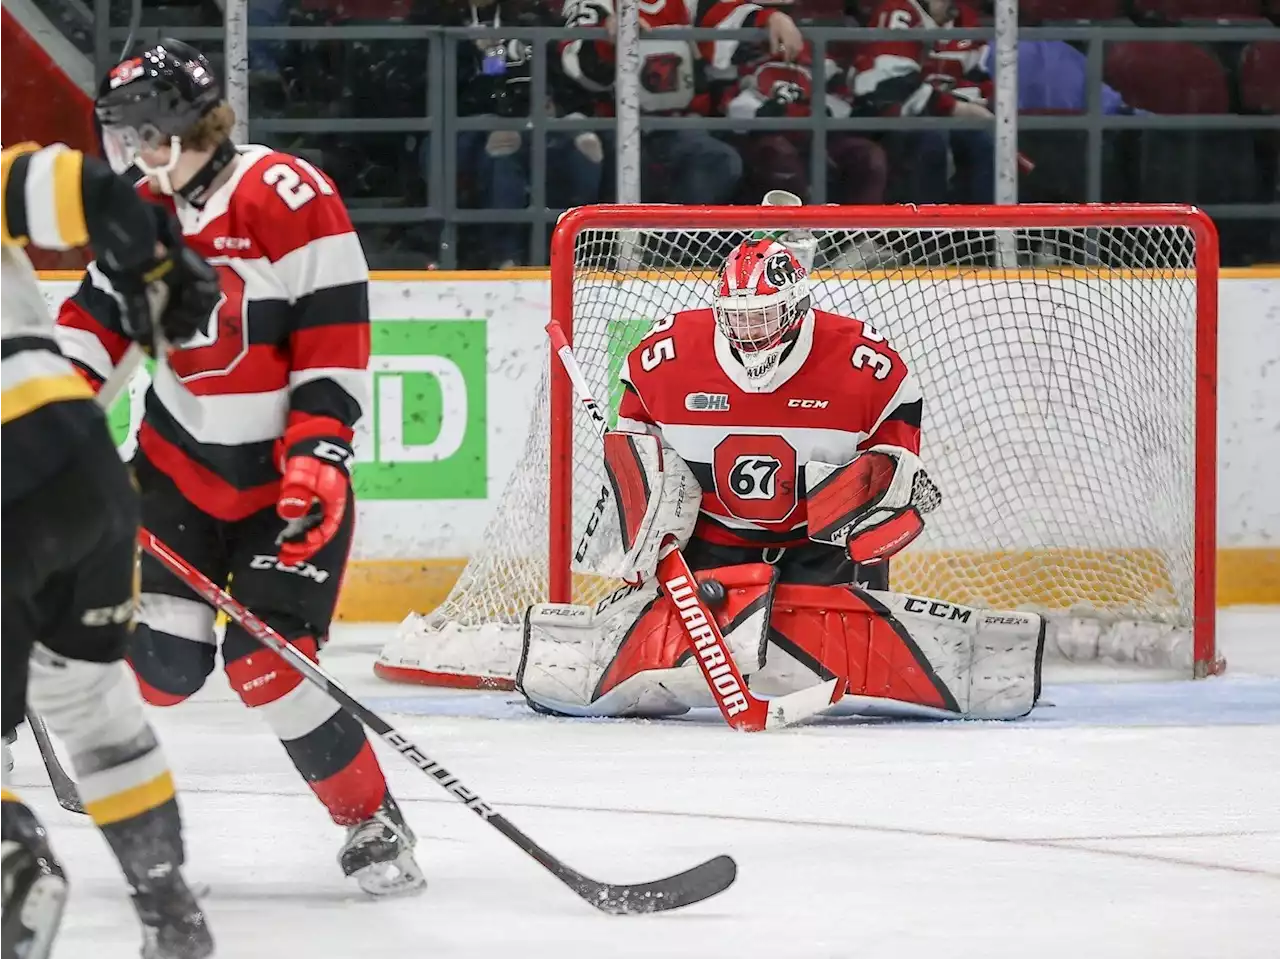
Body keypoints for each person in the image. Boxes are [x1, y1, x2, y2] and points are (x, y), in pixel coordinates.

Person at [54, 39, 425, 899]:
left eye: (143, 134)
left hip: (283, 487)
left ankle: (371, 820)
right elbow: (91, 331)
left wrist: (321, 451)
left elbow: (335, 336)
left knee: (269, 664)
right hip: (178, 472)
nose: (134, 155)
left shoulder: (288, 194)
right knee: (166, 669)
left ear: (186, 124)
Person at [517, 235, 1044, 724]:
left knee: (834, 670)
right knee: (664, 677)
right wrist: (645, 502)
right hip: (712, 541)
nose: (749, 331)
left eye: (764, 316)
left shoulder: (867, 365)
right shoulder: (666, 355)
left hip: (816, 547)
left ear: (796, 308)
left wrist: (877, 510)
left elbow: (895, 469)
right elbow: (633, 448)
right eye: (736, 318)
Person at [0, 140, 220, 958]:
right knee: (92, 708)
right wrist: (158, 272)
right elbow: (91, 186)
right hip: (85, 464)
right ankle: (168, 907)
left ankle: (12, 864)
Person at [559, 0, 804, 205]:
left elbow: (725, 17)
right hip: (610, 123)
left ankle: (679, 251)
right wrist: (607, 36)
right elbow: (576, 64)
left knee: (717, 160)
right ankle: (610, 249)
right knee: (613, 169)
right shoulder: (593, 3)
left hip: (677, 126)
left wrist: (771, 18)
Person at [856, 0, 995, 204]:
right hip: (886, 115)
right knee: (931, 138)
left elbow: (979, 79)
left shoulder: (965, 18)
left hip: (941, 110)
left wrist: (980, 101)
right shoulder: (897, 10)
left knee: (985, 140)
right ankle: (924, 231)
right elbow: (891, 88)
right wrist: (954, 107)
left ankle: (981, 230)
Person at [724, 43, 888, 208]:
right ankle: (799, 229)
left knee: (869, 155)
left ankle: (861, 230)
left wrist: (824, 114)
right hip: (771, 135)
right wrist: (769, 113)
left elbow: (840, 108)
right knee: (778, 151)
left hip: (817, 135)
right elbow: (735, 112)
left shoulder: (816, 62)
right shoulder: (752, 56)